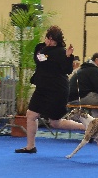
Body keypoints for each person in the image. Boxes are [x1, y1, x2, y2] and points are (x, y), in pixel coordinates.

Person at [15, 26, 85, 154]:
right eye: (48, 38)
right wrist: (46, 47)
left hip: (57, 89)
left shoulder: (62, 52)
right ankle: (30, 146)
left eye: (53, 40)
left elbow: (67, 70)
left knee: (55, 123)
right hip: (42, 88)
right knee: (31, 115)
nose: (50, 41)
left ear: (57, 41)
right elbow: (39, 60)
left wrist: (69, 57)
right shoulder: (40, 48)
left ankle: (86, 127)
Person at [68, 52, 98, 118]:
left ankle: (93, 119)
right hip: (81, 97)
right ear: (96, 60)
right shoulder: (95, 70)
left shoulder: (83, 69)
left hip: (71, 98)